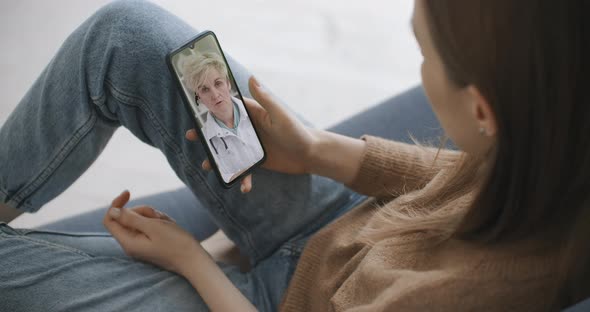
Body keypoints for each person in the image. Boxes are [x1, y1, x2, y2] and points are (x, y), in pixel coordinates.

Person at [0, 0, 589, 311]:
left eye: (424, 54)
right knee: (124, 34)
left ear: (483, 112)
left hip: (273, 305)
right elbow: (459, 175)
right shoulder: (551, 150)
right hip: (338, 223)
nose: (421, 72)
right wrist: (315, 151)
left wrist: (194, 259)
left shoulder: (455, 301)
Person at [182, 52, 264, 183]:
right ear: (199, 98)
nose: (215, 95)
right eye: (205, 89)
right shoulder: (205, 136)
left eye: (218, 83)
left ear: (228, 83)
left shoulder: (257, 112)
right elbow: (224, 177)